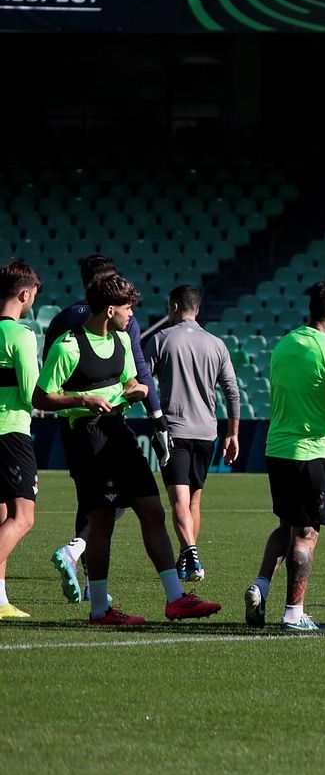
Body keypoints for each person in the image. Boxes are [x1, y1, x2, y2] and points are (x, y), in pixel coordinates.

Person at [35, 273, 220, 626]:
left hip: (119, 432)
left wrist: (137, 390)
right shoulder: (68, 347)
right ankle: (99, 610)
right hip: (89, 438)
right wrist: (82, 399)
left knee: (153, 510)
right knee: (102, 521)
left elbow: (131, 380)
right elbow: (41, 397)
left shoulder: (121, 341)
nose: (132, 314)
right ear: (110, 310)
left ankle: (176, 599)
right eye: (127, 308)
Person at [47, 254, 166, 604]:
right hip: (94, 425)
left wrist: (131, 392)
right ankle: (80, 559)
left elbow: (52, 373)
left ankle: (89, 579)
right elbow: (139, 367)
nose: (130, 312)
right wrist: (155, 413)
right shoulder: (108, 327)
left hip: (76, 425)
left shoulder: (63, 318)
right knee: (104, 505)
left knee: (96, 501)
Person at [246, 282, 325, 632]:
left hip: (277, 449)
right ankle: (294, 613)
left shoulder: (284, 345)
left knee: (286, 525)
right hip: (312, 453)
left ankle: (260, 586)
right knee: (306, 534)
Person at [145, 285, 241, 583]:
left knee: (178, 500)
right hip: (206, 432)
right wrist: (233, 434)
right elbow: (232, 392)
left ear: (174, 306)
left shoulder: (161, 339)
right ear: (197, 309)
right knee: (194, 502)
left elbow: (142, 383)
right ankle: (186, 560)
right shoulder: (217, 344)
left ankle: (192, 555)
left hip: (173, 430)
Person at [0, 262, 42, 618]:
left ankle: (0, 601)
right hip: (11, 431)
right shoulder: (21, 335)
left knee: (3, 518)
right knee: (23, 518)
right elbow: (31, 392)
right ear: (25, 294)